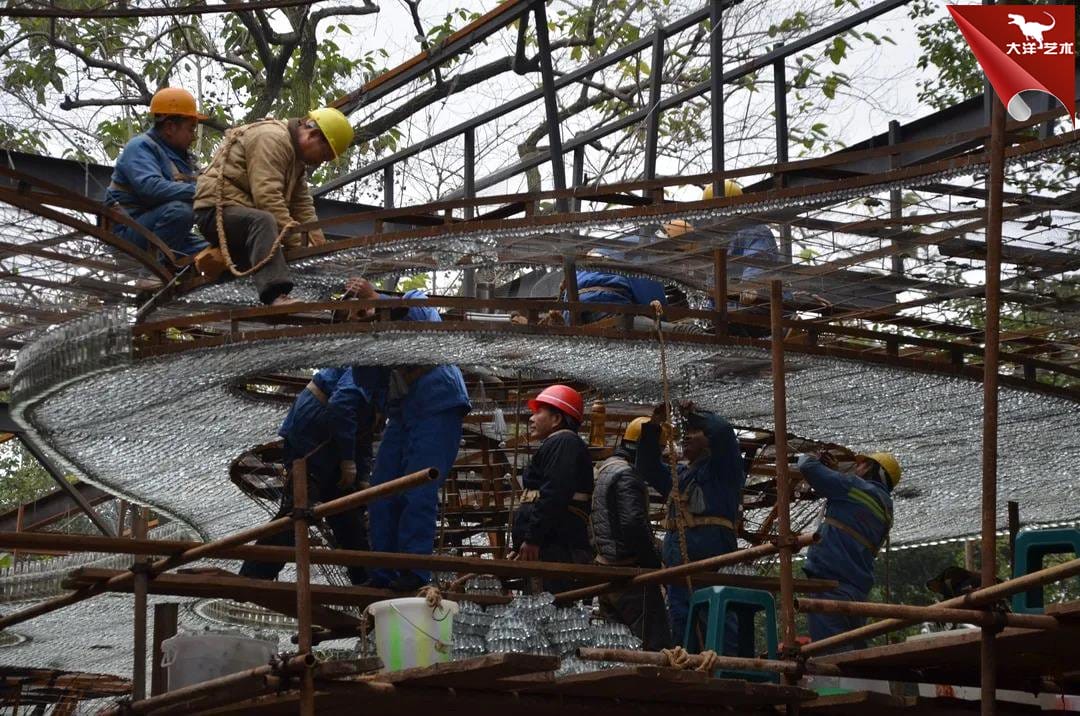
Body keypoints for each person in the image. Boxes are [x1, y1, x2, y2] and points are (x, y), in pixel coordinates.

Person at [344, 279, 472, 592]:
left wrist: (377, 301)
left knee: (418, 487)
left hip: (437, 399)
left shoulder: (413, 299)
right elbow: (367, 380)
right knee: (381, 491)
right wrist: (361, 330)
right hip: (403, 412)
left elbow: (428, 324)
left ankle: (414, 570)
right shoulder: (369, 338)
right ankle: (384, 573)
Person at [193, 107, 354, 305]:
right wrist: (301, 244)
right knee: (264, 221)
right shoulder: (273, 139)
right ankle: (275, 295)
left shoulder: (296, 160)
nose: (320, 162)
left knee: (271, 231)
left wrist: (319, 250)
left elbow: (302, 207)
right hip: (217, 212)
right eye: (324, 155)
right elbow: (267, 199)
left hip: (244, 217)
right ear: (313, 135)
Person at [239, 366, 377, 585]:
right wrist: (348, 459)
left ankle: (365, 582)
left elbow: (365, 434)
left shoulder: (384, 390)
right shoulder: (373, 369)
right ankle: (253, 576)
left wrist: (362, 477)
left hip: (332, 441)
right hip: (311, 432)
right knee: (300, 509)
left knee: (349, 514)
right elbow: (341, 405)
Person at [637, 401, 747, 647]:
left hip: (710, 562)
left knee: (716, 624)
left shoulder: (723, 470)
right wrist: (654, 425)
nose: (686, 437)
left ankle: (725, 666)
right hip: (679, 566)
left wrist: (694, 415)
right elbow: (647, 467)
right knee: (684, 628)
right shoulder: (680, 476)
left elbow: (722, 430)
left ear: (710, 441)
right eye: (686, 432)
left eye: (695, 432)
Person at [797, 450, 899, 651]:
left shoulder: (853, 486)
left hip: (830, 587)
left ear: (872, 468)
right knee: (853, 655)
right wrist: (835, 473)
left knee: (830, 656)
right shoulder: (886, 510)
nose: (857, 467)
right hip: (857, 593)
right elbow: (852, 511)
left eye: (862, 464)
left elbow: (806, 466)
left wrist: (811, 457)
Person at [591, 417, 673, 649]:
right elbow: (633, 524)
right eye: (658, 452)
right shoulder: (627, 475)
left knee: (617, 647)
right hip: (630, 575)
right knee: (654, 646)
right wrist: (653, 563)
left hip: (606, 569)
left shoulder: (605, 469)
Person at [105, 87, 210, 258]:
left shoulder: (180, 159)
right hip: (128, 232)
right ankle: (154, 268)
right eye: (190, 129)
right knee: (181, 212)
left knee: (217, 253)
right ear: (170, 127)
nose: (193, 137)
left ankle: (169, 263)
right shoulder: (140, 147)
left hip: (161, 231)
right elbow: (151, 188)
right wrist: (205, 189)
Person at [511, 384, 594, 594]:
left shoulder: (564, 442)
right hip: (548, 546)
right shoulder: (558, 444)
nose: (531, 418)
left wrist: (533, 538)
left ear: (556, 419)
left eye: (538, 412)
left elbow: (554, 493)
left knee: (550, 603)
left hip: (555, 546)